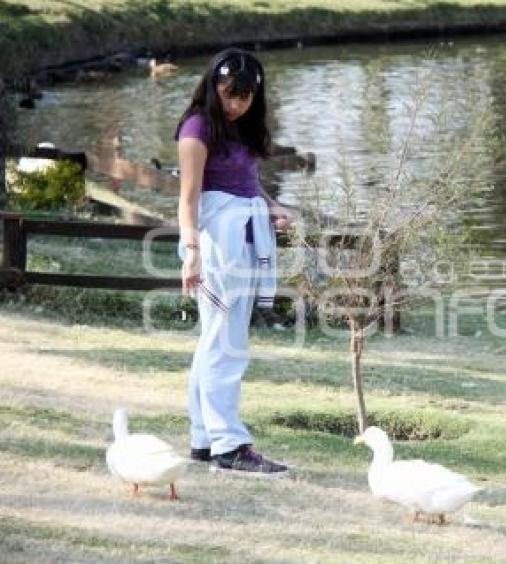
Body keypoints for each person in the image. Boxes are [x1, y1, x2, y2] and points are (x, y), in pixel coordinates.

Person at [176, 47, 291, 475]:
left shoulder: (238, 128)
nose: (236, 103)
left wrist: (273, 208)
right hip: (216, 246)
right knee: (226, 344)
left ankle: (204, 439)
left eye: (245, 97)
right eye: (229, 94)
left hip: (240, 241)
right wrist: (192, 254)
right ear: (214, 86)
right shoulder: (197, 129)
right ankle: (229, 445)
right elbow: (188, 199)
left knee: (215, 340)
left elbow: (248, 184)